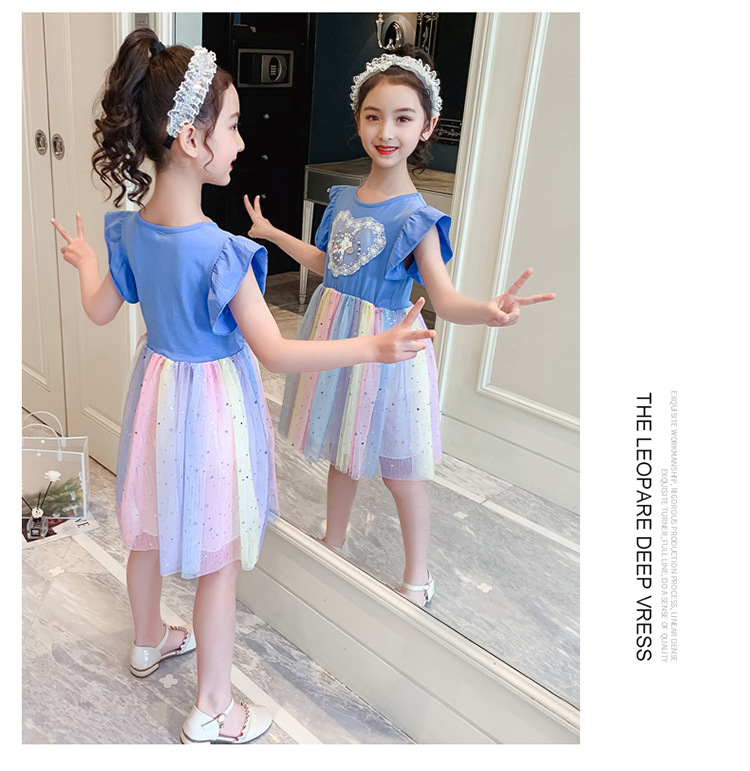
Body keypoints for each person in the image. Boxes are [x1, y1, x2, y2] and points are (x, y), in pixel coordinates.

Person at [50, 29, 434, 745]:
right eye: (231, 126)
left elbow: (101, 310)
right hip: (209, 410)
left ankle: (147, 639)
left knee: (147, 530)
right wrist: (375, 345)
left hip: (155, 398)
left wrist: (83, 261)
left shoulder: (131, 232)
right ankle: (214, 708)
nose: (240, 141)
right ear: (191, 139)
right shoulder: (221, 253)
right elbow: (277, 354)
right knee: (218, 562)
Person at [245, 46, 556, 607]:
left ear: (427, 126)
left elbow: (443, 298)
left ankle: (418, 576)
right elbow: (329, 265)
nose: (386, 131)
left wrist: (486, 310)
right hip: (339, 338)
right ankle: (333, 539)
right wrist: (272, 234)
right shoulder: (342, 199)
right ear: (358, 120)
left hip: (389, 348)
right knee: (342, 447)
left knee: (399, 469)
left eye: (403, 118)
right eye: (374, 116)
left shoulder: (419, 219)